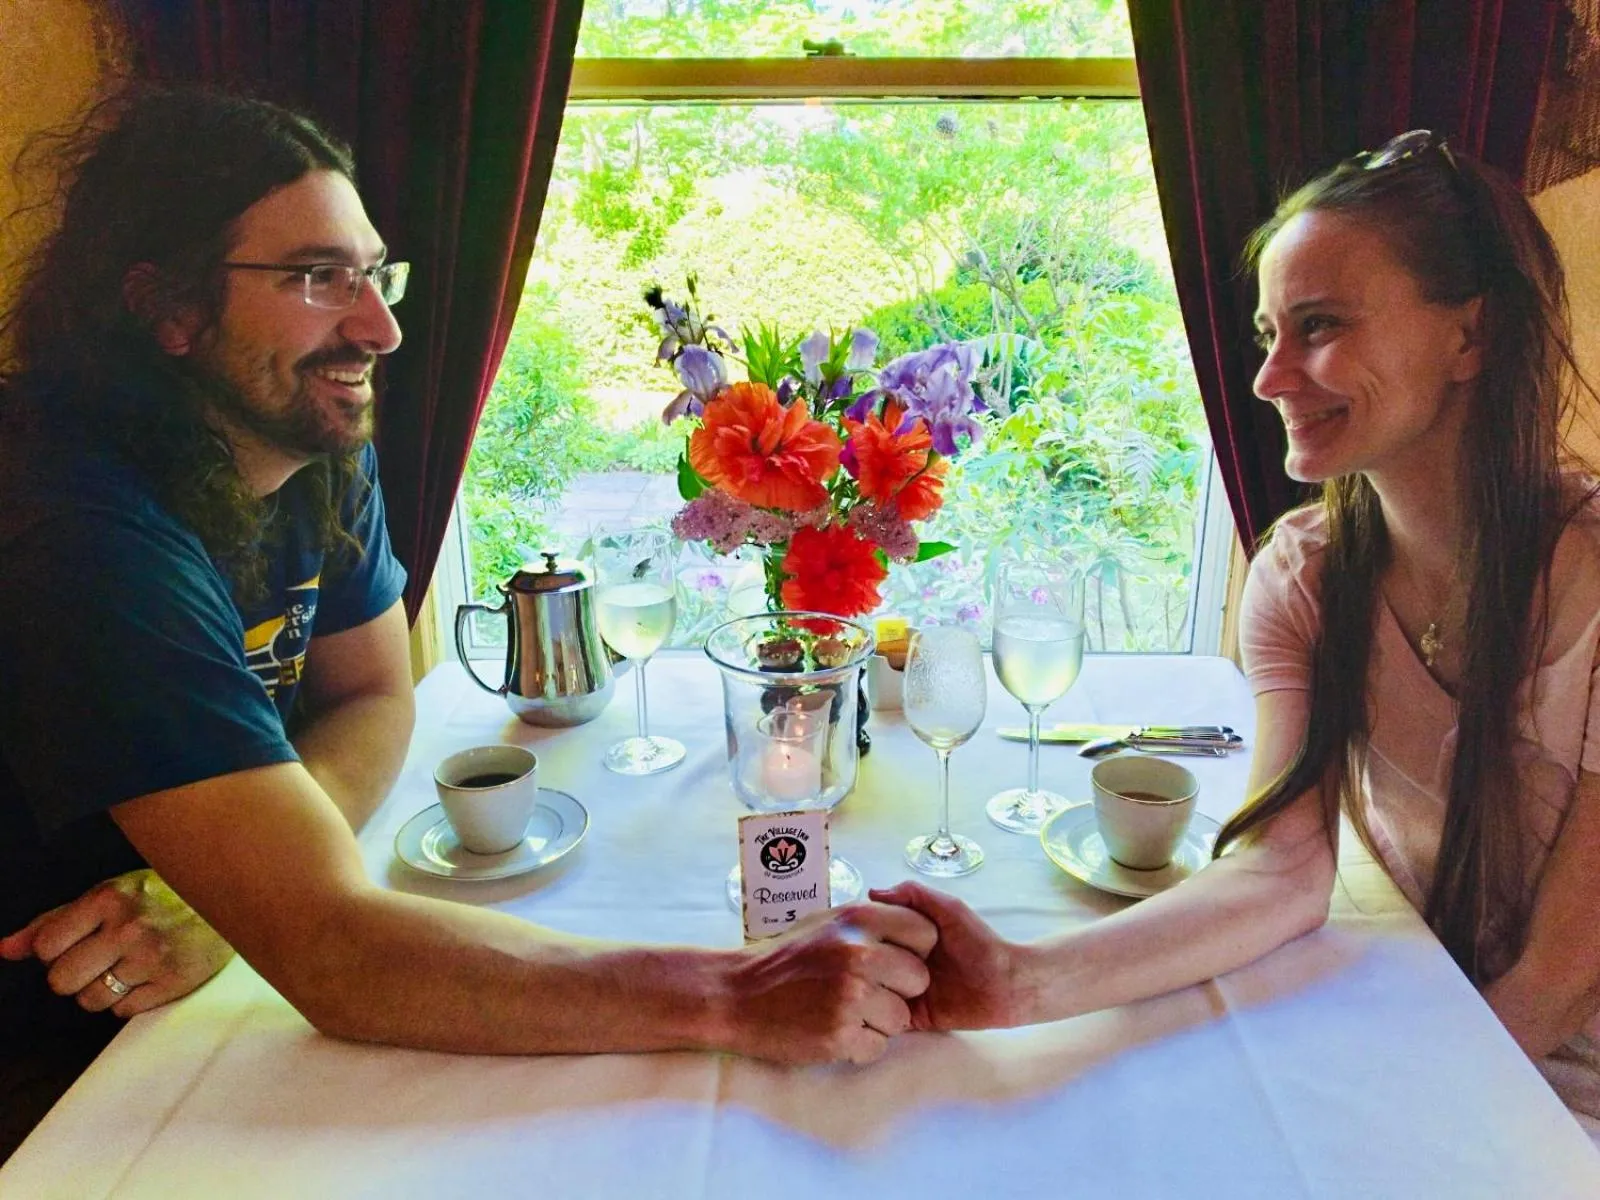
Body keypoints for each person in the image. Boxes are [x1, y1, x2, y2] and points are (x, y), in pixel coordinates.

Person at [0, 86, 934, 1158]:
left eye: (374, 274)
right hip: (53, 1044)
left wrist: (230, 893)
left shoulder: (303, 443)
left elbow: (371, 692)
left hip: (192, 983)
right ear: (167, 309)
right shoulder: (75, 527)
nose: (380, 328)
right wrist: (742, 995)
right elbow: (335, 954)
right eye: (316, 278)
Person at [874, 130, 1600, 1127]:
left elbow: (1559, 977)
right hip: (1429, 1012)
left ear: (1469, 338)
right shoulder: (1304, 575)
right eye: (1268, 335)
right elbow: (1281, 870)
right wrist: (1017, 983)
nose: (1268, 379)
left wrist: (1396, 1120)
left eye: (1319, 325)